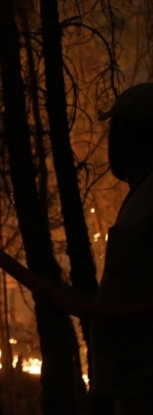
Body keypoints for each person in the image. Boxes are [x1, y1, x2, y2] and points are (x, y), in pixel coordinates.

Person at [92, 83, 153, 415]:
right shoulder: (141, 194)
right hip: (133, 380)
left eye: (115, 129)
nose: (110, 142)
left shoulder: (148, 202)